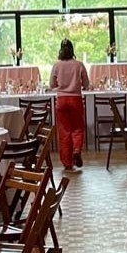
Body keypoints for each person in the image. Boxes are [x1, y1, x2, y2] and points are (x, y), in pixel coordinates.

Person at [49, 39, 90, 171]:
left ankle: (67, 163)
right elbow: (86, 84)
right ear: (72, 50)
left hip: (61, 100)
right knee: (77, 128)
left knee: (64, 131)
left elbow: (52, 85)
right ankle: (77, 150)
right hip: (75, 99)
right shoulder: (79, 65)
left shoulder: (56, 66)